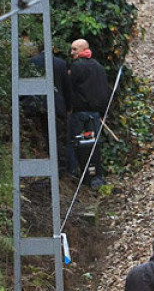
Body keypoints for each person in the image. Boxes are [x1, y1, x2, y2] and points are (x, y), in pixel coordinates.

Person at [68, 38, 111, 189]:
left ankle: (78, 174)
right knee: (94, 145)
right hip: (95, 113)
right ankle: (96, 174)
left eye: (74, 49)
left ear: (82, 50)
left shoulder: (76, 67)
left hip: (79, 113)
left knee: (76, 144)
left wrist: (70, 107)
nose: (71, 52)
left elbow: (70, 89)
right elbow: (104, 90)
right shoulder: (98, 67)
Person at [28, 48, 73, 173]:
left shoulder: (31, 62)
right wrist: (69, 107)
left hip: (36, 105)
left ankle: (45, 162)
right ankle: (60, 167)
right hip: (57, 104)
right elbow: (66, 88)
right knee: (57, 136)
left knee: (42, 134)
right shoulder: (61, 63)